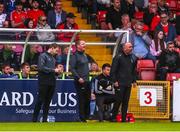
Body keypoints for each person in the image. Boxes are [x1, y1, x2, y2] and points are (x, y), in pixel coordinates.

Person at [32, 43, 60, 122]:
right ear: (51, 48)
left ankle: (45, 119)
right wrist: (54, 70)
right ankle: (34, 119)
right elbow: (41, 68)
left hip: (52, 82)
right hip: (44, 81)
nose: (57, 52)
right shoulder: (43, 56)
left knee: (48, 102)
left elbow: (51, 70)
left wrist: (57, 72)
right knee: (40, 100)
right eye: (56, 50)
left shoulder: (53, 58)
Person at [110, 42, 136, 122]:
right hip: (120, 83)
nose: (131, 48)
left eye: (131, 47)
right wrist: (114, 81)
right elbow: (113, 70)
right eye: (130, 47)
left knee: (126, 101)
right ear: (124, 48)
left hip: (128, 83)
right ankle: (113, 117)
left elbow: (133, 71)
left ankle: (124, 119)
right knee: (118, 100)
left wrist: (134, 80)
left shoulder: (132, 58)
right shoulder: (118, 57)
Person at [70, 40, 91, 122]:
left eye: (85, 44)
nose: (84, 45)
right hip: (80, 81)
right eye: (82, 44)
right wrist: (78, 78)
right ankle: (82, 117)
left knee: (88, 99)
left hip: (86, 80)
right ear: (78, 46)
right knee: (82, 99)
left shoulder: (85, 55)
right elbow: (72, 68)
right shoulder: (75, 56)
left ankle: (86, 116)